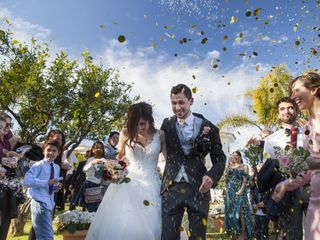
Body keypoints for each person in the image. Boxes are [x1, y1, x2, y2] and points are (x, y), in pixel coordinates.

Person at [86, 102, 166, 240]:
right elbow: (120, 158)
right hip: (128, 184)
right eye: (135, 124)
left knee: (153, 222)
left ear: (150, 120)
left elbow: (165, 161)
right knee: (126, 222)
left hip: (153, 185)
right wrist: (114, 173)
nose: (139, 128)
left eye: (142, 123)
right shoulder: (125, 133)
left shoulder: (160, 135)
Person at [160, 84, 226, 240]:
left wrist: (211, 176)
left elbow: (220, 157)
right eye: (173, 103)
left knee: (197, 236)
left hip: (198, 187)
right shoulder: (166, 123)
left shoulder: (208, 126)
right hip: (171, 187)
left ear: (191, 101)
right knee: (168, 236)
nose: (177, 107)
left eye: (181, 102)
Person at [273, 72, 320, 240]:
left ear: (313, 90)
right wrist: (287, 184)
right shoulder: (308, 128)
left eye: (297, 90)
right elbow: (308, 170)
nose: (293, 96)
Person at [257, 97, 309, 240]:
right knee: (292, 235)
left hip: (312, 188)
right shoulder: (270, 140)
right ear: (278, 113)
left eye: (290, 107)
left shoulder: (309, 132)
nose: (287, 111)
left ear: (297, 110)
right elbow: (269, 169)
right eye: (282, 109)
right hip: (287, 192)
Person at [23, 139, 62, 240]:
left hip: (49, 204)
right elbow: (27, 181)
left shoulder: (56, 167)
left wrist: (55, 188)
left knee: (44, 235)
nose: (51, 153)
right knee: (46, 236)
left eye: (54, 151)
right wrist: (46, 182)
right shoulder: (38, 165)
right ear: (43, 150)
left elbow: (50, 187)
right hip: (39, 203)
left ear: (58, 153)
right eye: (48, 150)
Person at [224, 151, 253, 240]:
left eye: (237, 156)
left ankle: (242, 236)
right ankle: (234, 236)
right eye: (233, 156)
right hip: (230, 193)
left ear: (240, 157)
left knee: (241, 213)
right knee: (231, 214)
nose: (235, 157)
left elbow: (245, 180)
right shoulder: (230, 166)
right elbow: (226, 176)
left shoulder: (244, 166)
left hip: (240, 191)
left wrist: (241, 191)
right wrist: (228, 162)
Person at [83, 141, 106, 212]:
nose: (99, 149)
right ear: (93, 150)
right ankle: (89, 220)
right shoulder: (91, 160)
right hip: (90, 184)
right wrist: (92, 163)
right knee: (90, 206)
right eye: (97, 148)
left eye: (101, 148)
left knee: (98, 206)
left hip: (99, 185)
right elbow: (84, 169)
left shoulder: (104, 160)